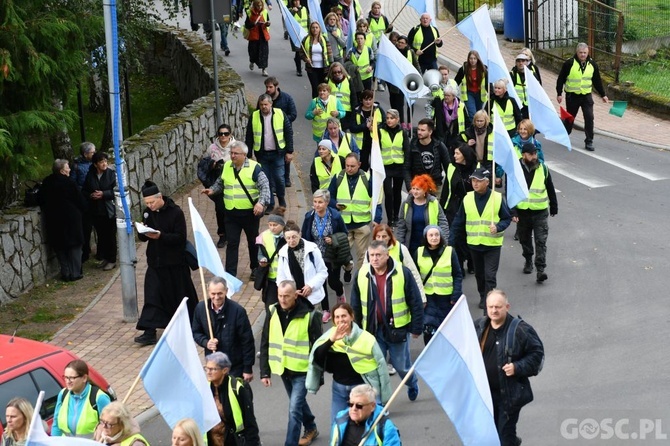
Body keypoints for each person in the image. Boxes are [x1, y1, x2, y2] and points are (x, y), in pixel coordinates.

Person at [350, 240, 424, 402]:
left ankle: (411, 382)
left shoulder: (402, 273)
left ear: (387, 255)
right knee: (377, 369)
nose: (374, 259)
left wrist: (417, 328)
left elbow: (415, 301)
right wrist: (354, 329)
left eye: (378, 255)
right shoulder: (361, 273)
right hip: (372, 330)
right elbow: (355, 304)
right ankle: (379, 404)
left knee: (401, 367)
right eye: (371, 255)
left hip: (397, 329)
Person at [475, 290, 544, 445]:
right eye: (490, 306)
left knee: (504, 436)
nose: (494, 310)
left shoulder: (520, 330)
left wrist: (517, 367)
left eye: (498, 307)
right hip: (485, 396)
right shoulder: (479, 327)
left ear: (507, 307)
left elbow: (537, 355)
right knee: (490, 434)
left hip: (508, 397)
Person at [135, 180, 199, 345]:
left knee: (182, 296)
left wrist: (161, 236)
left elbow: (180, 237)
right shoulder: (148, 213)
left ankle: (194, 326)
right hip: (155, 263)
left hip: (175, 263)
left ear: (160, 197)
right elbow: (143, 238)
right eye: (147, 203)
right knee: (152, 296)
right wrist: (142, 231)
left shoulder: (175, 213)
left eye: (151, 202)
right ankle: (149, 331)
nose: (149, 206)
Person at [259, 280, 322, 446]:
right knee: (298, 404)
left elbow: (318, 348)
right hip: (283, 369)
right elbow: (265, 340)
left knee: (294, 409)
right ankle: (311, 427)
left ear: (296, 295)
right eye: (280, 295)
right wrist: (265, 371)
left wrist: (318, 374)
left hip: (302, 370)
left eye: (287, 296)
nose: (282, 299)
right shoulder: (272, 311)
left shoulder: (309, 315)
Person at [307, 303, 391, 424]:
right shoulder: (329, 336)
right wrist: (331, 340)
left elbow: (381, 367)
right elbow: (317, 358)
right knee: (337, 426)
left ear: (351, 316)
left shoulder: (367, 338)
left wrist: (384, 397)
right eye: (337, 317)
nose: (341, 320)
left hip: (362, 388)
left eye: (344, 316)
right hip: (339, 389)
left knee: (370, 426)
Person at [202, 141, 271, 279]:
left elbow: (265, 188)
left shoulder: (255, 168)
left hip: (249, 213)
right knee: (232, 243)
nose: (232, 156)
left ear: (244, 155)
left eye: (236, 153)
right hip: (231, 213)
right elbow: (220, 182)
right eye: (231, 153)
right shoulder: (227, 166)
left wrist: (261, 203)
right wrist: (212, 190)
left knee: (253, 241)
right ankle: (230, 273)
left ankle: (255, 268)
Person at [449, 167, 512, 309]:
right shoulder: (467, 198)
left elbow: (506, 218)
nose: (475, 183)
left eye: (478, 181)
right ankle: (483, 295)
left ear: (487, 182)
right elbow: (458, 222)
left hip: (492, 244)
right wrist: (450, 242)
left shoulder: (496, 198)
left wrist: (498, 227)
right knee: (479, 275)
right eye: (473, 180)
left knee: (490, 275)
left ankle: (489, 302)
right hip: (474, 244)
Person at [328, 152, 383, 273]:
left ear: (359, 164)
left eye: (352, 166)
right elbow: (329, 196)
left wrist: (377, 219)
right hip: (343, 224)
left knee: (362, 255)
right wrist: (334, 205)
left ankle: (360, 278)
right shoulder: (338, 177)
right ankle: (348, 266)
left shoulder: (367, 179)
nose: (349, 168)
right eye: (347, 165)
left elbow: (377, 200)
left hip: (362, 224)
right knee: (342, 254)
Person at [192, 277, 255, 381]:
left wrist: (247, 368)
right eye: (213, 294)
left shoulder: (238, 311)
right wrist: (206, 342)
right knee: (216, 397)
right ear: (208, 292)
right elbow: (196, 332)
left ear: (226, 291)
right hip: (213, 366)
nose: (216, 297)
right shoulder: (201, 309)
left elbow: (247, 341)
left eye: (220, 293)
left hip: (234, 367)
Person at [301, 189, 350, 321]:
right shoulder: (309, 216)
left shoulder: (335, 216)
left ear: (327, 203)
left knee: (333, 282)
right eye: (315, 202)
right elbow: (304, 236)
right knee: (320, 283)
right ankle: (326, 310)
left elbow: (344, 234)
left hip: (332, 255)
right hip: (316, 256)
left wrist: (333, 239)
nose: (317, 205)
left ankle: (340, 292)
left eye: (320, 202)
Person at [514, 143, 558, 282]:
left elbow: (550, 187)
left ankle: (540, 270)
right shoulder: (517, 169)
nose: (534, 156)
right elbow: (511, 192)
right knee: (524, 239)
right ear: (523, 155)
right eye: (531, 154)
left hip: (540, 212)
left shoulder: (543, 168)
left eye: (535, 153)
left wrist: (554, 206)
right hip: (522, 212)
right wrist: (512, 211)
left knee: (541, 241)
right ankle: (528, 260)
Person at [38, 159, 86, 282]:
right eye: (67, 167)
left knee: (60, 247)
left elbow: (41, 199)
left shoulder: (47, 182)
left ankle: (66, 272)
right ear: (62, 171)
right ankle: (75, 273)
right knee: (75, 246)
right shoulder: (69, 183)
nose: (69, 169)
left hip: (54, 219)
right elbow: (80, 200)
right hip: (71, 219)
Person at [556, 42, 609, 151]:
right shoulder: (569, 63)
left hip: (586, 96)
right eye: (581, 53)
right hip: (572, 96)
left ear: (588, 52)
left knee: (589, 117)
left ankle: (589, 141)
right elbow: (561, 78)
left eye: (585, 52)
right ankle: (565, 131)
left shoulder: (592, 64)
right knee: (570, 118)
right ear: (577, 52)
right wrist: (559, 93)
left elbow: (597, 80)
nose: (583, 55)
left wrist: (603, 94)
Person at [414, 225, 462, 344]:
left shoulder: (450, 251)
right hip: (427, 298)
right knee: (428, 328)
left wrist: (456, 295)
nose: (434, 238)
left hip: (446, 298)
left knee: (445, 329)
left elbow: (457, 274)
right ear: (426, 237)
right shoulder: (419, 252)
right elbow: (414, 277)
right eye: (431, 235)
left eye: (437, 235)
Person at [245, 93, 294, 211]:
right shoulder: (254, 116)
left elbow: (288, 133)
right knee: (265, 181)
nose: (263, 107)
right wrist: (249, 154)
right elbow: (249, 136)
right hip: (262, 154)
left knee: (279, 178)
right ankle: (270, 204)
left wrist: (289, 151)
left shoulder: (280, 114)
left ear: (271, 104)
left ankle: (281, 199)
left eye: (266, 104)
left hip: (278, 153)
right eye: (261, 105)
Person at [204, 352, 261, 446]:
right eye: (206, 368)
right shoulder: (205, 388)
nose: (208, 372)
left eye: (212, 369)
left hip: (232, 441)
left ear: (224, 370)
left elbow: (249, 421)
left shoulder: (237, 388)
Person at [276, 221, 330, 317]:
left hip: (313, 298)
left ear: (300, 234)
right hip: (294, 300)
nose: (291, 240)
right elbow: (281, 278)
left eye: (294, 237)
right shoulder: (283, 253)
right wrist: (291, 291)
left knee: (315, 328)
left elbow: (323, 272)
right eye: (288, 238)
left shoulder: (312, 249)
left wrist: (310, 286)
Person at [439, 144, 477, 274]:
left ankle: (472, 263)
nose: (454, 156)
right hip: (454, 207)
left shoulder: (476, 168)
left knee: (470, 237)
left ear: (465, 156)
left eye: (457, 153)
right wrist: (442, 209)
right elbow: (446, 189)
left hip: (471, 208)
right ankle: (459, 265)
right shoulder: (451, 168)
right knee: (456, 238)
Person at [52, 359, 112, 437]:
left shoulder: (99, 398)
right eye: (66, 377)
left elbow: (112, 428)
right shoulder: (63, 394)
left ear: (84, 378)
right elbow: (56, 424)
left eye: (72, 378)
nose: (68, 381)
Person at [199, 123, 234, 248]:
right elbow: (205, 163)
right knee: (220, 209)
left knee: (231, 208)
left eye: (226, 133)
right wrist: (212, 165)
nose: (223, 136)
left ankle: (232, 233)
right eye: (220, 134)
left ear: (230, 134)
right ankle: (222, 235)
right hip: (217, 181)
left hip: (233, 181)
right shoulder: (212, 148)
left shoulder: (236, 146)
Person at [395, 174, 450, 255]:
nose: (415, 191)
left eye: (418, 189)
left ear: (425, 190)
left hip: (430, 245)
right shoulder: (406, 204)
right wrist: (400, 245)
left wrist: (443, 242)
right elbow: (401, 227)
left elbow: (443, 223)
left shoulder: (433, 202)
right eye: (413, 188)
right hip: (411, 245)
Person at [330, 384, 402, 445]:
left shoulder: (385, 427)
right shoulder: (340, 420)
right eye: (351, 404)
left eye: (359, 405)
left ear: (372, 406)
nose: (354, 408)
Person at [82, 152, 117, 271]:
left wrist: (103, 194)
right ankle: (105, 258)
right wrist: (91, 195)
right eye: (101, 162)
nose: (104, 164)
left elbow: (116, 191)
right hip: (96, 211)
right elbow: (84, 190)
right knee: (102, 236)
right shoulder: (90, 175)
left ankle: (112, 259)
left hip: (109, 211)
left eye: (106, 161)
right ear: (96, 164)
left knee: (110, 236)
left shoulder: (111, 174)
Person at [404, 118, 451, 197]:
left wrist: (449, 187)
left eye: (422, 130)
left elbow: (448, 168)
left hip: (435, 186)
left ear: (430, 132)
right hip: (417, 186)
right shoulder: (412, 146)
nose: (419, 132)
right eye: (418, 129)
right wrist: (409, 187)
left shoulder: (439, 146)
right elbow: (406, 168)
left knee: (435, 209)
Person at [264, 77, 297, 187]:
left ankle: (286, 178)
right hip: (269, 134)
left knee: (286, 156)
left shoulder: (287, 98)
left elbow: (293, 114)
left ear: (276, 86)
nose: (268, 89)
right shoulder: (265, 99)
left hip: (284, 132)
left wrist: (281, 120)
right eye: (267, 87)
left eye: (270, 87)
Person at [379, 109, 407, 227]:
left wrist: (407, 166)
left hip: (399, 166)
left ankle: (396, 217)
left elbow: (406, 149)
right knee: (388, 193)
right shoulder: (381, 131)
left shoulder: (403, 132)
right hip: (385, 166)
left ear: (397, 119)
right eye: (388, 118)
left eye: (392, 118)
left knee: (396, 192)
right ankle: (390, 218)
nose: (389, 120)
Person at [256, 207, 287, 309]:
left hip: (286, 279)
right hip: (271, 279)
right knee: (270, 307)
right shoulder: (264, 236)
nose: (272, 228)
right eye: (270, 225)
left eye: (275, 225)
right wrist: (262, 260)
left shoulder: (289, 237)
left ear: (282, 225)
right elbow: (260, 254)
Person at [71, 142, 95, 262]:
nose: (94, 154)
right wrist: (85, 192)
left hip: (95, 198)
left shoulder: (94, 163)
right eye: (92, 152)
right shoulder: (77, 167)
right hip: (85, 200)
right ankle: (86, 251)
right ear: (86, 154)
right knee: (86, 227)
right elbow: (73, 184)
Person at [349, 90, 384, 171]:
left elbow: (384, 124)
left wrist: (375, 128)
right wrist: (365, 126)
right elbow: (352, 128)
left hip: (375, 142)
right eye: (366, 99)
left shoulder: (378, 109)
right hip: (362, 144)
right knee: (363, 165)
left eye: (370, 99)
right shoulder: (357, 111)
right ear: (362, 100)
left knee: (375, 166)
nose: (368, 102)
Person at [389, 35, 420, 127]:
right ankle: (402, 121)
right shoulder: (393, 52)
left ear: (406, 44)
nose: (400, 44)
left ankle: (409, 122)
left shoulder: (411, 52)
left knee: (410, 102)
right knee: (399, 102)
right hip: (398, 81)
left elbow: (416, 64)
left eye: (402, 43)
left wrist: (419, 76)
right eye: (399, 42)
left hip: (410, 80)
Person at [431, 85, 470, 153]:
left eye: (448, 95)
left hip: (457, 134)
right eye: (445, 95)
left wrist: (466, 134)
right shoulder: (440, 105)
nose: (446, 97)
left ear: (453, 96)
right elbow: (434, 117)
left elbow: (467, 121)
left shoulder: (461, 105)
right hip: (443, 134)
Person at [301, 21, 334, 98]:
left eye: (316, 27)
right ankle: (316, 105)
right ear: (310, 29)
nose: (315, 29)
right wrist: (306, 59)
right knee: (315, 88)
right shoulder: (306, 39)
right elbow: (301, 52)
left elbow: (329, 52)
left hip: (324, 68)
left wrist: (331, 65)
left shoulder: (324, 39)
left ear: (319, 29)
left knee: (324, 88)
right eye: (313, 27)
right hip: (311, 69)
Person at [454, 50, 489, 120]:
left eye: (474, 58)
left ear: (478, 59)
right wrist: (452, 91)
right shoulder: (463, 69)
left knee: (478, 114)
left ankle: (478, 129)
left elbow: (487, 84)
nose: (472, 60)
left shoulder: (483, 70)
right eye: (471, 58)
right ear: (468, 59)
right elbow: (456, 82)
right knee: (472, 114)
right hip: (469, 94)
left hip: (480, 95)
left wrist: (491, 93)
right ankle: (472, 129)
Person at [509, 53, 541, 120]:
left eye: (523, 61)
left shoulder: (532, 74)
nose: (521, 63)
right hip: (517, 105)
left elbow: (538, 89)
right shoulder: (512, 74)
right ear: (516, 63)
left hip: (529, 105)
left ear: (527, 62)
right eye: (518, 61)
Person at [327, 63, 358, 130]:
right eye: (334, 72)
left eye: (339, 72)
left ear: (342, 71)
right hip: (332, 112)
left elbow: (353, 97)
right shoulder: (327, 81)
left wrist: (354, 112)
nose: (337, 74)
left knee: (343, 134)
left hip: (346, 112)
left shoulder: (348, 81)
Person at [463, 109, 494, 175]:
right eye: (477, 121)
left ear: (486, 121)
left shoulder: (491, 132)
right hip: (473, 162)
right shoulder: (469, 132)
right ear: (474, 121)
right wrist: (467, 144)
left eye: (481, 121)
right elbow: (459, 144)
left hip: (487, 163)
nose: (479, 123)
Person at [245, 0, 271, 76]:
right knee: (253, 51)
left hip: (263, 36)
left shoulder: (265, 12)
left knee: (264, 53)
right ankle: (252, 61)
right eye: (257, 6)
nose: (259, 7)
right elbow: (247, 25)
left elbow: (267, 21)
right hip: (254, 36)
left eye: (260, 6)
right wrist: (253, 24)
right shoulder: (250, 13)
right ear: (254, 6)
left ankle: (264, 69)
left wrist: (267, 24)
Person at [288, 0, 309, 76]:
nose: (296, 2)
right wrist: (293, 12)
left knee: (305, 51)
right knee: (298, 52)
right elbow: (288, 20)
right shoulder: (290, 10)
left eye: (297, 0)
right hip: (296, 35)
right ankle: (299, 69)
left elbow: (308, 20)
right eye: (294, 1)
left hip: (305, 34)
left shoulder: (304, 9)